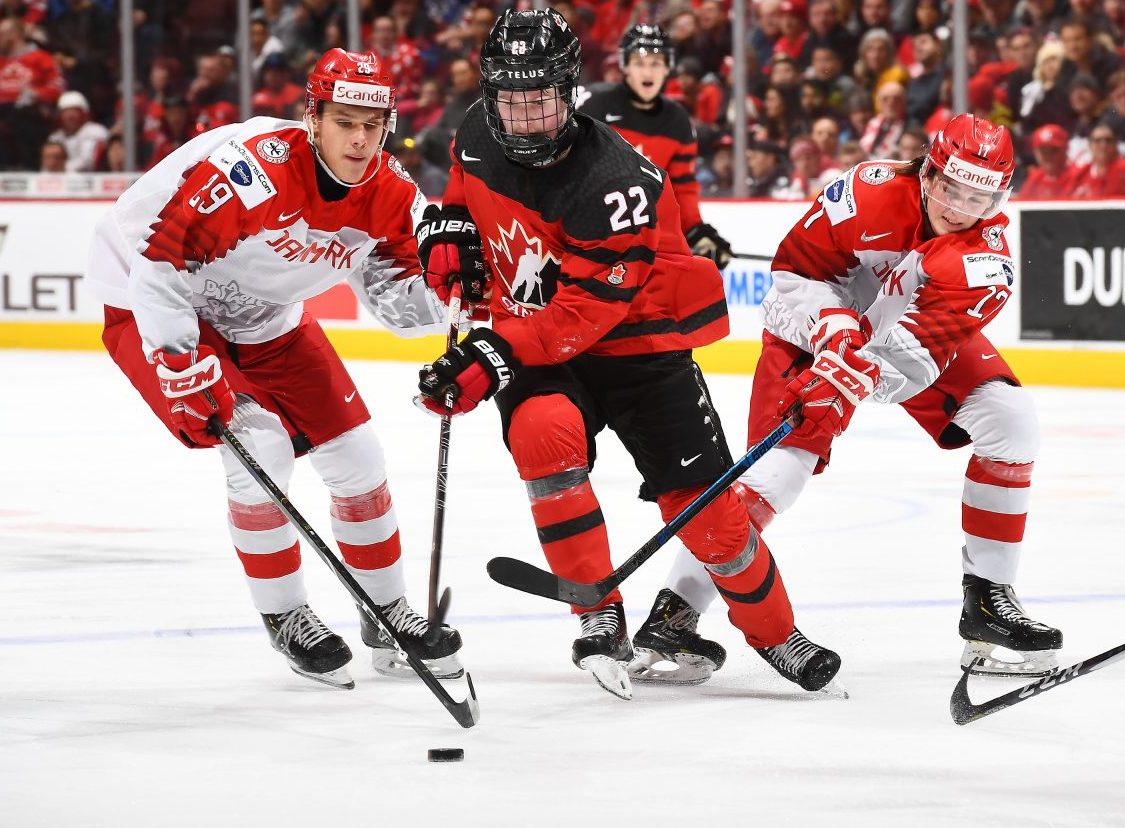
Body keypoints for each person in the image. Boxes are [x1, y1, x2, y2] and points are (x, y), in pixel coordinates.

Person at [415, 9, 837, 698]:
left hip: (637, 344)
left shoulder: (614, 181)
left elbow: (581, 316)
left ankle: (774, 631)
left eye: (541, 98)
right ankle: (596, 611)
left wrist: (489, 354)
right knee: (540, 435)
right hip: (540, 344)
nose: (524, 117)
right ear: (491, 91)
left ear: (569, 90)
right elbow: (463, 187)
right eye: (511, 98)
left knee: (708, 515)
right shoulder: (472, 131)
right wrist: (449, 228)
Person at [85, 49, 464, 690]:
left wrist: (450, 290)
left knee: (359, 456)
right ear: (312, 118)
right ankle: (286, 615)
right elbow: (160, 267)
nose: (360, 139)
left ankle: (386, 607)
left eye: (373, 125)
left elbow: (397, 300)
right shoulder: (249, 172)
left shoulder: (393, 193)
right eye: (345, 121)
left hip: (266, 316)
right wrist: (180, 359)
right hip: (152, 298)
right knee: (258, 445)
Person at [640, 113, 1064, 680]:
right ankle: (674, 615)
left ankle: (989, 605)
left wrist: (845, 381)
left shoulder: (985, 263)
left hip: (893, 341)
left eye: (979, 199)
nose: (960, 208)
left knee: (1012, 422)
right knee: (774, 479)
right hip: (813, 329)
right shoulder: (864, 194)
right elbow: (790, 278)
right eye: (949, 188)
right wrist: (834, 335)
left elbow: (910, 358)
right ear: (927, 170)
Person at [578, 24, 732, 270]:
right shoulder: (593, 104)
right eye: (639, 63)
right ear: (625, 66)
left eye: (656, 63)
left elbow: (681, 189)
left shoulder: (677, 121)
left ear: (667, 67)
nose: (647, 72)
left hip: (643, 237)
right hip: (586, 230)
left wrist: (696, 232)